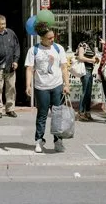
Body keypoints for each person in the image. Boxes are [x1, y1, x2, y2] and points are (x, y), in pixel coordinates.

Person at [24, 21, 70, 153]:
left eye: (53, 37)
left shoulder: (58, 48)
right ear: (42, 38)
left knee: (57, 115)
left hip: (57, 86)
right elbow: (29, 69)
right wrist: (28, 85)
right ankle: (39, 140)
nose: (52, 40)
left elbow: (64, 67)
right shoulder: (34, 50)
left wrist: (66, 84)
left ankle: (58, 141)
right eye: (49, 38)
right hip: (41, 88)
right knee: (42, 115)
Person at [0, 15, 20, 118]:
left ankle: (10, 109)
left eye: (4, 23)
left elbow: (16, 47)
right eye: (1, 24)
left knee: (11, 88)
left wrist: (15, 61)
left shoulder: (11, 33)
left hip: (10, 66)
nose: (3, 26)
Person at [74, 31, 99, 121]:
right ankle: (81, 113)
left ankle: (87, 112)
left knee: (89, 92)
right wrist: (92, 60)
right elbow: (80, 57)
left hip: (90, 70)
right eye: (93, 37)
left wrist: (95, 59)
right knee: (85, 92)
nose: (94, 39)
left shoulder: (90, 46)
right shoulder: (82, 45)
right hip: (85, 70)